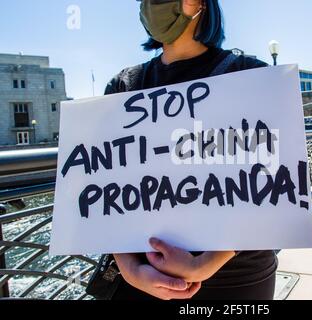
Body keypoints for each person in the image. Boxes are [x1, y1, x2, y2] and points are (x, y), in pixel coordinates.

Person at [104, 0, 277, 300]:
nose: (150, 5)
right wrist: (130, 269)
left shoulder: (253, 75)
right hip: (145, 278)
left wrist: (204, 264)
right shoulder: (123, 86)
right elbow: (107, 187)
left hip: (237, 276)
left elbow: (275, 184)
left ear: (198, 4)